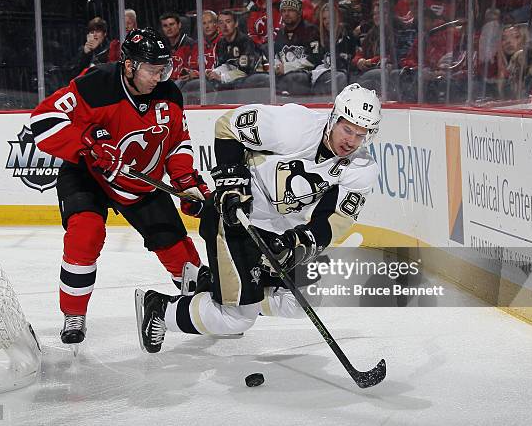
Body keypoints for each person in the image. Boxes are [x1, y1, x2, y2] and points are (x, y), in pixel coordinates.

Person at [137, 83, 381, 353]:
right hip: (236, 220)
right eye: (348, 129)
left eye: (361, 134)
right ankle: (161, 309)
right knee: (237, 319)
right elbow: (227, 126)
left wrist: (297, 243)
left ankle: (214, 288)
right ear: (334, 118)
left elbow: (334, 219)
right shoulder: (293, 127)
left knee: (301, 300)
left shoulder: (362, 168)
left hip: (277, 234)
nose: (351, 141)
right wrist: (232, 186)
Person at [30, 28, 210, 346]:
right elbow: (43, 121)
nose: (160, 77)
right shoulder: (96, 84)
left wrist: (186, 181)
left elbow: (177, 142)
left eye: (164, 69)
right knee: (85, 235)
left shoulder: (168, 94)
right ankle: (74, 314)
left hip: (139, 180)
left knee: (176, 248)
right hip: (89, 174)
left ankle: (202, 306)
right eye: (153, 70)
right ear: (129, 66)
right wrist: (87, 143)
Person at [273, 0, 321, 95]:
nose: (286, 14)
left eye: (291, 10)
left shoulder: (310, 30)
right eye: (284, 11)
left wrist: (287, 67)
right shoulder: (280, 33)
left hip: (305, 77)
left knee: (296, 78)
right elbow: (275, 55)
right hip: (283, 77)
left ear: (299, 13)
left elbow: (314, 59)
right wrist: (277, 66)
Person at [159, 13, 195, 82]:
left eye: (171, 24)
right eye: (165, 26)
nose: (169, 28)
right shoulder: (163, 47)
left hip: (185, 81)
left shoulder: (190, 44)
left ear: (179, 25)